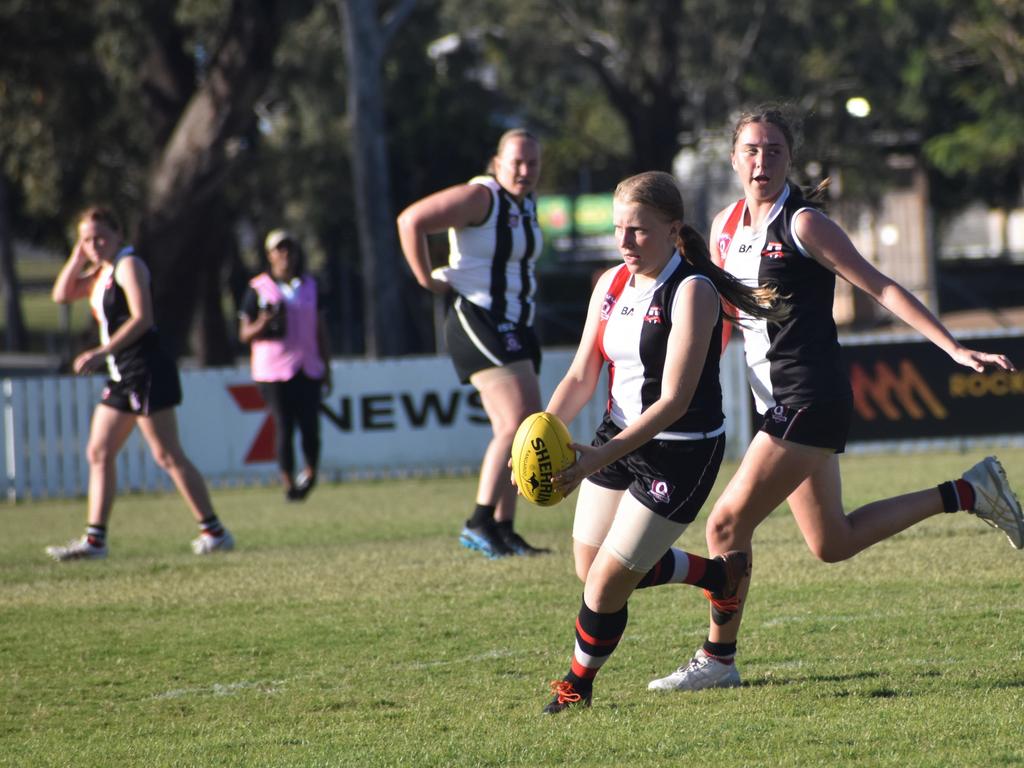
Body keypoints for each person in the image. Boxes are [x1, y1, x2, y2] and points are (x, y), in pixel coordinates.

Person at [647, 106, 1023, 693]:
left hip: (809, 398)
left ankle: (718, 659)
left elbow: (881, 284)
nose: (762, 160)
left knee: (724, 527)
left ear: (790, 158)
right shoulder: (723, 227)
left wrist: (951, 347)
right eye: (751, 149)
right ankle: (969, 491)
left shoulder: (802, 225)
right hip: (777, 404)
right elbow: (728, 318)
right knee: (832, 542)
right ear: (733, 158)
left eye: (773, 150)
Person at [533, 171, 789, 714]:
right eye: (619, 229)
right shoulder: (610, 285)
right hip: (619, 437)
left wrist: (601, 456)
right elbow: (582, 373)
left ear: (673, 231)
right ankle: (717, 576)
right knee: (590, 567)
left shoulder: (692, 290)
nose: (625, 242)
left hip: (681, 447)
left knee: (603, 586)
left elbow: (673, 399)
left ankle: (578, 684)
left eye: (640, 231)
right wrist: (538, 434)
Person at [45, 206, 234, 561]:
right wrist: (78, 253)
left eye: (100, 237)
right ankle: (95, 541)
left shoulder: (129, 266)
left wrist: (103, 351)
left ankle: (215, 532)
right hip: (121, 374)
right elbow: (62, 293)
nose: (95, 244)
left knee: (167, 454)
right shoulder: (101, 271)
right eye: (87, 239)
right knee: (98, 452)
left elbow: (142, 318)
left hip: (145, 370)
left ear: (119, 235)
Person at [397, 128, 548, 558]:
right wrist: (427, 279)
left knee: (527, 425)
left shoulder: (527, 202)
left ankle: (503, 527)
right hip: (477, 317)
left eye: (532, 163)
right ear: (496, 163)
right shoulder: (482, 197)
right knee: (514, 422)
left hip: (516, 322)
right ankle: (479, 521)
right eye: (515, 162)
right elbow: (411, 221)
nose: (524, 170)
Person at [238, 229, 331, 501]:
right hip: (273, 371)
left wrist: (327, 366)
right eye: (279, 249)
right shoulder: (258, 288)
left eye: (289, 248)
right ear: (270, 255)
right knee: (284, 425)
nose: (285, 255)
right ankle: (288, 482)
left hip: (308, 365)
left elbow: (320, 329)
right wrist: (263, 322)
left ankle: (310, 473)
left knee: (311, 426)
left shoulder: (310, 286)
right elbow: (243, 334)